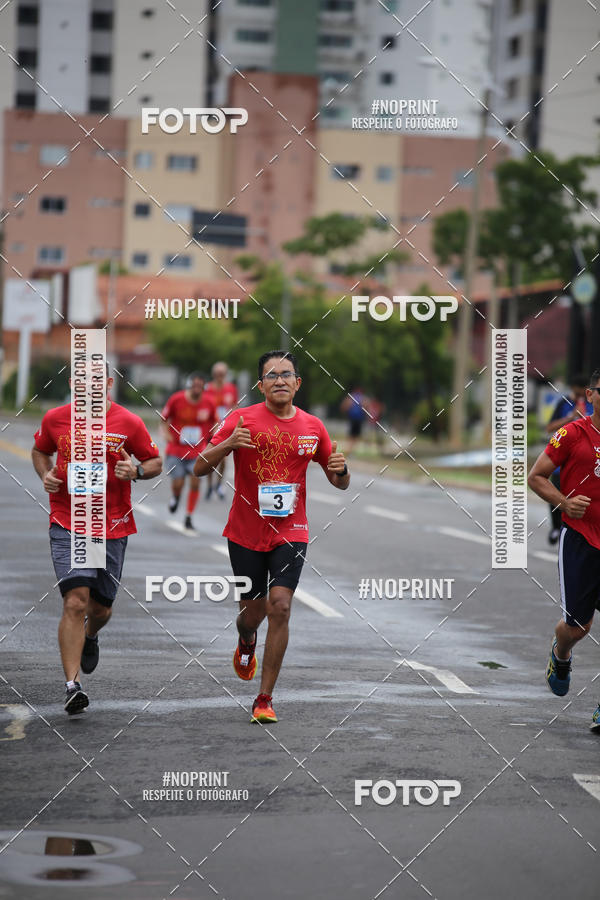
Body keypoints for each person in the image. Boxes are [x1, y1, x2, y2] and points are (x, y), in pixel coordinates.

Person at [194, 350, 349, 724]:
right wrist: (229, 444)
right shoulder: (240, 419)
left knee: (280, 605)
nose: (280, 380)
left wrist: (342, 471)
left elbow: (338, 481)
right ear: (260, 385)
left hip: (291, 531)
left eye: (287, 374)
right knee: (253, 614)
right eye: (271, 375)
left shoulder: (313, 427)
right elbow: (199, 467)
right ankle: (246, 639)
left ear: (298, 383)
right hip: (245, 532)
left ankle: (264, 699)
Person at [32, 363, 162, 715]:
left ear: (107, 383)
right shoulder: (55, 419)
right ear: (72, 383)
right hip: (69, 520)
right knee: (75, 601)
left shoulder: (129, 422)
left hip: (112, 525)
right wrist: (45, 475)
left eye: (95, 380)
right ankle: (72, 686)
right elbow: (40, 451)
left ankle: (91, 635)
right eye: (81, 380)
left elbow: (155, 461)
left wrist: (135, 470)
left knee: (100, 608)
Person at [528, 368, 600, 733]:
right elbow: (536, 476)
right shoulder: (572, 434)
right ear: (591, 395)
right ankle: (561, 652)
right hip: (581, 539)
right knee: (578, 626)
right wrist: (564, 502)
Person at [161, 373, 216, 530]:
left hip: (197, 451)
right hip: (176, 449)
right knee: (178, 482)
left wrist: (212, 440)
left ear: (204, 387)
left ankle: (189, 516)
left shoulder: (209, 402)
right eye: (194, 385)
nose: (197, 388)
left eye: (200, 385)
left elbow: (216, 422)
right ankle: (176, 496)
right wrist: (166, 434)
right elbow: (164, 419)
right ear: (189, 385)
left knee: (195, 481)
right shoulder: (176, 399)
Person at [545, 374, 592, 544]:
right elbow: (550, 427)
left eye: (583, 394)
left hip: (586, 462)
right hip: (562, 463)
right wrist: (571, 417)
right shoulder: (563, 403)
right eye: (577, 393)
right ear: (572, 389)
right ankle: (556, 527)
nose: (580, 397)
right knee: (556, 495)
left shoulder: (593, 403)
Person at [203, 361, 239, 500]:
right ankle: (209, 485)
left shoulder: (231, 389)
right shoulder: (208, 388)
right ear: (213, 374)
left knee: (223, 458)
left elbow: (235, 406)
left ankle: (218, 484)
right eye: (218, 373)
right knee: (209, 457)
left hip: (225, 427)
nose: (220, 376)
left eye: (222, 374)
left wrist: (232, 422)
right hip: (211, 428)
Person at [341, 386, 367, 455]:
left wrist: (346, 413)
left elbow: (344, 406)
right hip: (358, 419)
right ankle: (350, 451)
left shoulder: (351, 397)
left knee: (351, 435)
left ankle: (348, 450)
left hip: (352, 418)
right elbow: (365, 406)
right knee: (355, 436)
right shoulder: (363, 398)